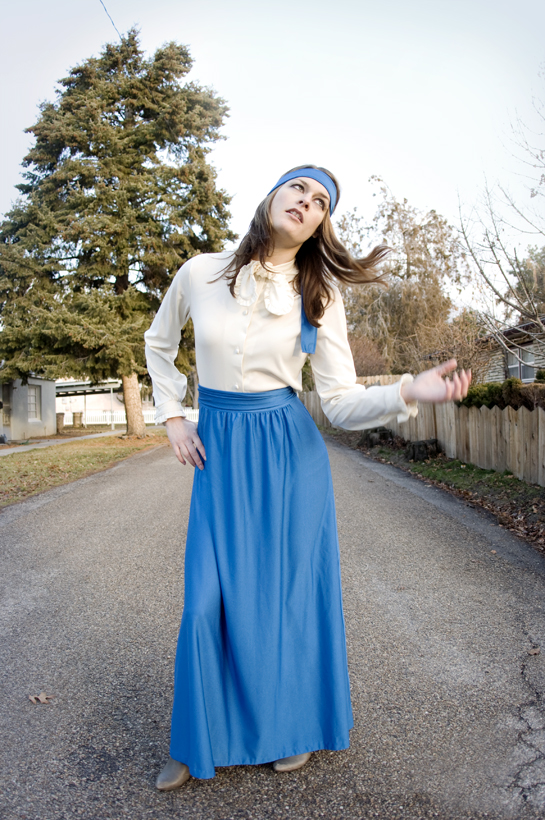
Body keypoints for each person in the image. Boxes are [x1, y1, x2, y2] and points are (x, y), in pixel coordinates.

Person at [144, 165, 471, 790]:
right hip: (220, 452)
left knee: (285, 601)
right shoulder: (200, 272)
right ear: (273, 194)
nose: (307, 201)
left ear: (321, 224)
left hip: (290, 455)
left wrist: (408, 389)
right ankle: (196, 738)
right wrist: (174, 417)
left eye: (321, 201)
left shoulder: (317, 294)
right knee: (205, 602)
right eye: (299, 187)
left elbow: (341, 401)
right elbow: (159, 344)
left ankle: (291, 727)